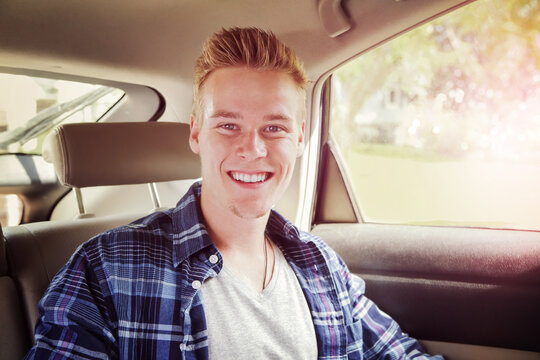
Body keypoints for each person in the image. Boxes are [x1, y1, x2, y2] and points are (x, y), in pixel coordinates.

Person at [25, 27, 443, 359]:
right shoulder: (106, 270)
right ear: (195, 134)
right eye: (228, 125)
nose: (254, 149)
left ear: (299, 138)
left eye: (274, 127)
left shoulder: (322, 266)